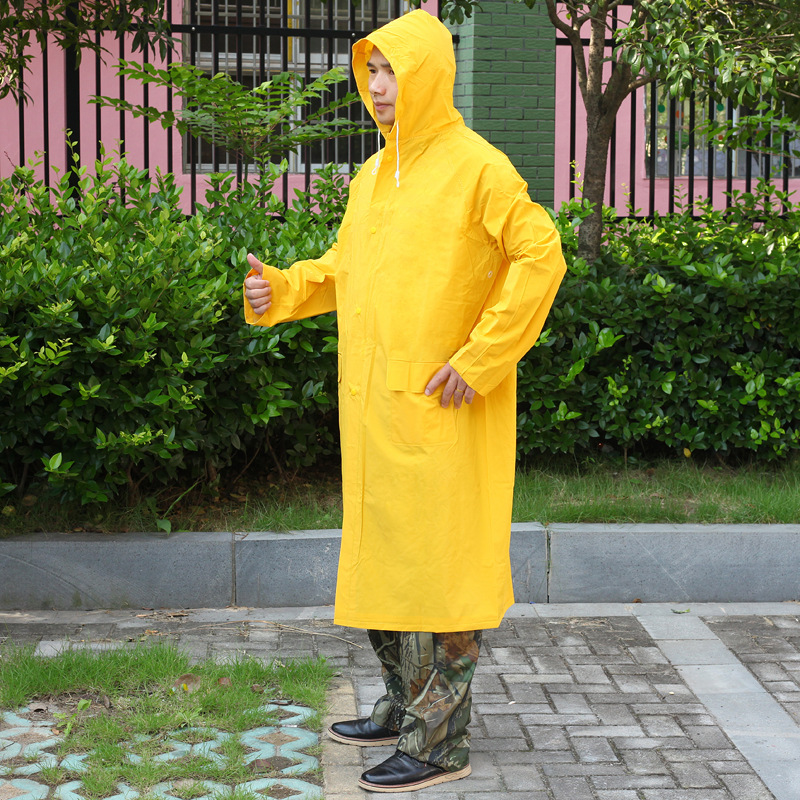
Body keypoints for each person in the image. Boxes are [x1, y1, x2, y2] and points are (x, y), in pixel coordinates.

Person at [244, 9, 567, 793]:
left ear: (428, 75)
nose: (378, 86)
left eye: (392, 70)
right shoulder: (373, 174)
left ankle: (440, 745)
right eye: (372, 71)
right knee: (388, 568)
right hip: (377, 414)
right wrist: (282, 290)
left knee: (440, 578)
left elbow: (541, 254)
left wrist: (482, 357)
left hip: (443, 414)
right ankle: (402, 707)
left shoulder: (477, 167)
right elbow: (345, 268)